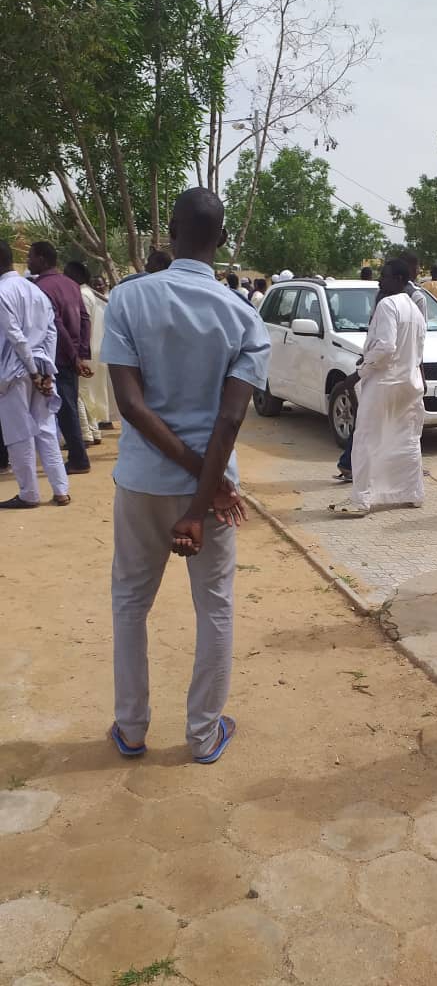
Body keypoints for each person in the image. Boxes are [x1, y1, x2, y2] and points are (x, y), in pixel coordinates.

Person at [101, 187, 271, 763]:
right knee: (215, 606)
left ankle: (131, 729)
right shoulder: (244, 316)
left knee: (130, 603)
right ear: (221, 239)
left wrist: (203, 489)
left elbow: (131, 406)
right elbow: (230, 418)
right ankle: (203, 734)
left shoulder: (128, 300)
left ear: (170, 232)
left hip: (142, 483)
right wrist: (204, 498)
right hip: (211, 493)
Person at [330, 258, 426, 517]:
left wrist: (358, 373)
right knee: (406, 439)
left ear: (399, 280)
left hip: (384, 383)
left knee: (366, 439)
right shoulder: (415, 311)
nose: (380, 281)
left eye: (384, 276)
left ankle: (361, 500)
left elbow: (385, 347)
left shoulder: (388, 305)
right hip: (409, 384)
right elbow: (417, 353)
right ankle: (412, 493)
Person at [0, 240, 69, 509]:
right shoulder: (35, 290)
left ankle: (29, 493)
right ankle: (61, 489)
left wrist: (33, 372)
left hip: (16, 370)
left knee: (19, 433)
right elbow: (51, 332)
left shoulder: (3, 292)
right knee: (45, 429)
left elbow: (15, 336)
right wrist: (47, 371)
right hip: (40, 365)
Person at [27, 240, 92, 474]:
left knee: (64, 409)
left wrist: (74, 356)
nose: (28, 261)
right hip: (70, 356)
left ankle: (78, 459)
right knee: (69, 406)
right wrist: (81, 353)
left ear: (42, 259)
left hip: (56, 357)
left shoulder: (41, 288)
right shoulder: (71, 284)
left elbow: (56, 325)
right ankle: (76, 456)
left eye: (30, 256)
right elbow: (84, 319)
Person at [63, 262, 110, 446]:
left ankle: (86, 433)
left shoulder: (81, 294)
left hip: (85, 350)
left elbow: (82, 326)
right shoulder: (88, 293)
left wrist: (77, 354)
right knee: (87, 394)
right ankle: (94, 431)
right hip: (94, 349)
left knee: (80, 394)